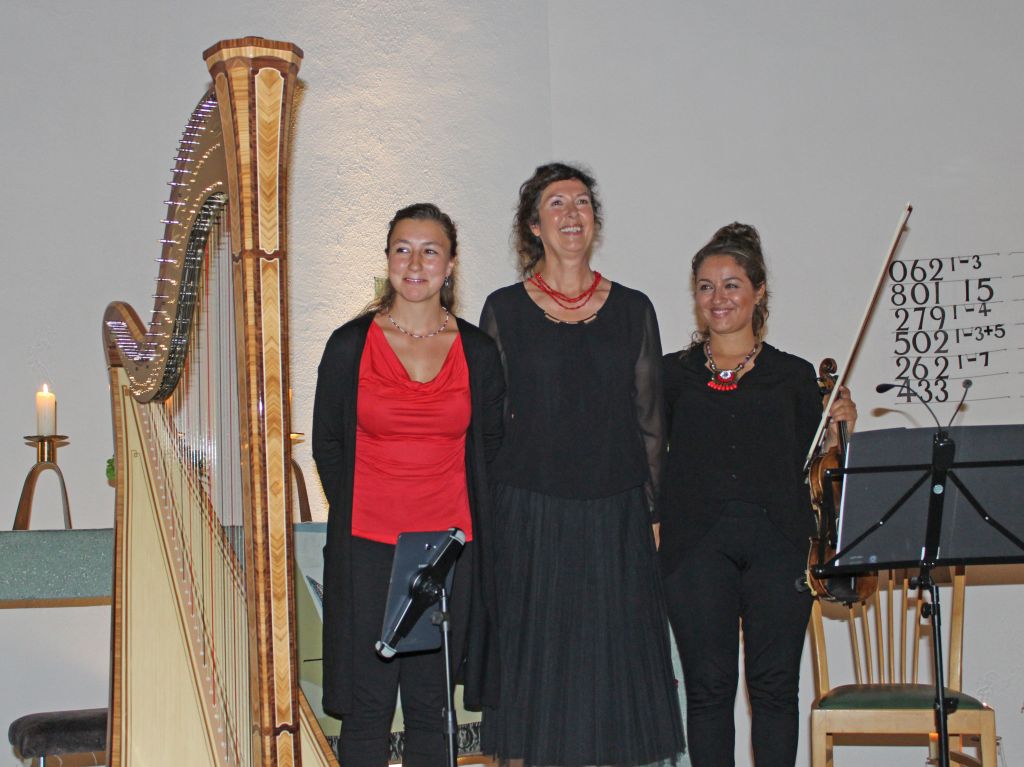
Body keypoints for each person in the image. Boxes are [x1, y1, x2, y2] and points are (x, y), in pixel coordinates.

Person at [479, 163, 686, 767]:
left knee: (612, 673)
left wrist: (652, 513)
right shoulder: (504, 310)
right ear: (535, 226)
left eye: (582, 203)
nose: (572, 213)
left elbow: (650, 420)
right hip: (528, 512)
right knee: (535, 672)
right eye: (556, 203)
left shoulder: (633, 309)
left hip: (615, 513)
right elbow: (491, 423)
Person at [659, 222, 858, 767]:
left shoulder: (795, 377)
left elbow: (825, 469)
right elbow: (648, 461)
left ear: (758, 291)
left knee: (774, 691)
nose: (717, 298)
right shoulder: (668, 376)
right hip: (694, 548)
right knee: (706, 691)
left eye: (731, 285)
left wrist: (842, 427)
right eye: (705, 286)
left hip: (778, 544)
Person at [312, 203, 504, 767]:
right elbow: (328, 445)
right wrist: (363, 509)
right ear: (388, 259)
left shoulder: (478, 351)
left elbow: (490, 446)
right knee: (369, 709)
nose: (415, 262)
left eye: (430, 250)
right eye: (403, 248)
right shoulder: (349, 345)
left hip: (448, 552)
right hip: (369, 548)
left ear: (450, 265)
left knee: (431, 709)